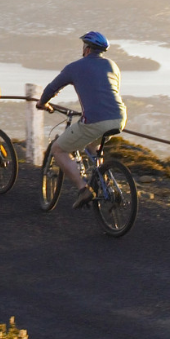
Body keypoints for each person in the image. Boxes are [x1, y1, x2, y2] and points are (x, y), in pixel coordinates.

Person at [37, 31, 127, 208]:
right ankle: (104, 182)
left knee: (58, 149)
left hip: (95, 120)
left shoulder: (74, 67)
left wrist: (42, 103)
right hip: (119, 117)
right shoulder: (113, 66)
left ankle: (83, 188)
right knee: (92, 145)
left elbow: (52, 88)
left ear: (86, 48)